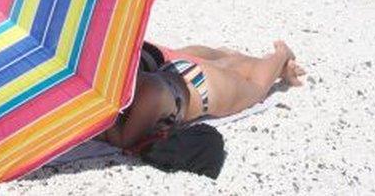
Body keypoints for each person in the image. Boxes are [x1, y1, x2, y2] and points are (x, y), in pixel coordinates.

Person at [100, 41, 306, 149]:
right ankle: (231, 55)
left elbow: (123, 140)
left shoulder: (149, 95)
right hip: (175, 70)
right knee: (224, 63)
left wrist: (100, 112)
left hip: (203, 90)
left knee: (256, 88)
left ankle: (281, 54)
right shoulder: (134, 78)